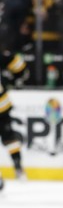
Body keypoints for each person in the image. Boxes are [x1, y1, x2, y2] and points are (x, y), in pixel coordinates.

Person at [0, 49, 28, 190]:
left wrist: (13, 78)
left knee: (9, 138)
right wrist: (15, 78)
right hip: (3, 107)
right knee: (9, 137)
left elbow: (18, 65)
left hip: (2, 108)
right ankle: (18, 167)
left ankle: (18, 166)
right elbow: (19, 66)